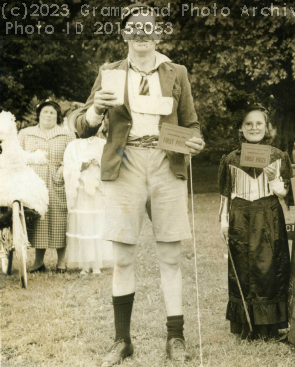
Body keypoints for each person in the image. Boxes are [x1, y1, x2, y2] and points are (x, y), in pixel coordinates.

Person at [73, 3, 205, 365]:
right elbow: (81, 125)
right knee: (123, 256)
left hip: (166, 162)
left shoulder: (176, 72)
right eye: (135, 27)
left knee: (170, 255)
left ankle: (174, 339)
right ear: (124, 33)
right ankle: (122, 340)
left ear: (158, 34)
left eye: (149, 27)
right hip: (125, 163)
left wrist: (194, 140)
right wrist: (97, 110)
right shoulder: (109, 72)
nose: (142, 33)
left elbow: (192, 124)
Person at [218, 93, 291, 340]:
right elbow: (225, 195)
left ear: (266, 127)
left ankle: (269, 326)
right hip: (240, 216)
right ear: (241, 128)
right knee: (242, 267)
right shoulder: (230, 159)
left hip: (268, 216)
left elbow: (285, 194)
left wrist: (274, 180)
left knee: (269, 268)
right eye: (248, 124)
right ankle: (245, 325)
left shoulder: (279, 156)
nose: (254, 128)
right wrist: (223, 221)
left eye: (259, 123)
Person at [18, 100, 76, 273]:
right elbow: (18, 156)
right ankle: (38, 261)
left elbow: (73, 157)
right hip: (34, 183)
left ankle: (61, 262)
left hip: (59, 183)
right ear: (39, 115)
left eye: (53, 112)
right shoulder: (26, 133)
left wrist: (64, 167)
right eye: (45, 112)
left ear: (57, 116)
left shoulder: (67, 134)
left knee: (60, 219)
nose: (49, 115)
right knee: (39, 220)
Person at [64, 115, 113, 275]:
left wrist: (99, 164)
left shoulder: (103, 144)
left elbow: (110, 163)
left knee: (97, 224)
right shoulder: (73, 146)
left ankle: (97, 263)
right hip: (81, 192)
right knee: (84, 226)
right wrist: (80, 167)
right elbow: (68, 168)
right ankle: (85, 264)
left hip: (97, 191)